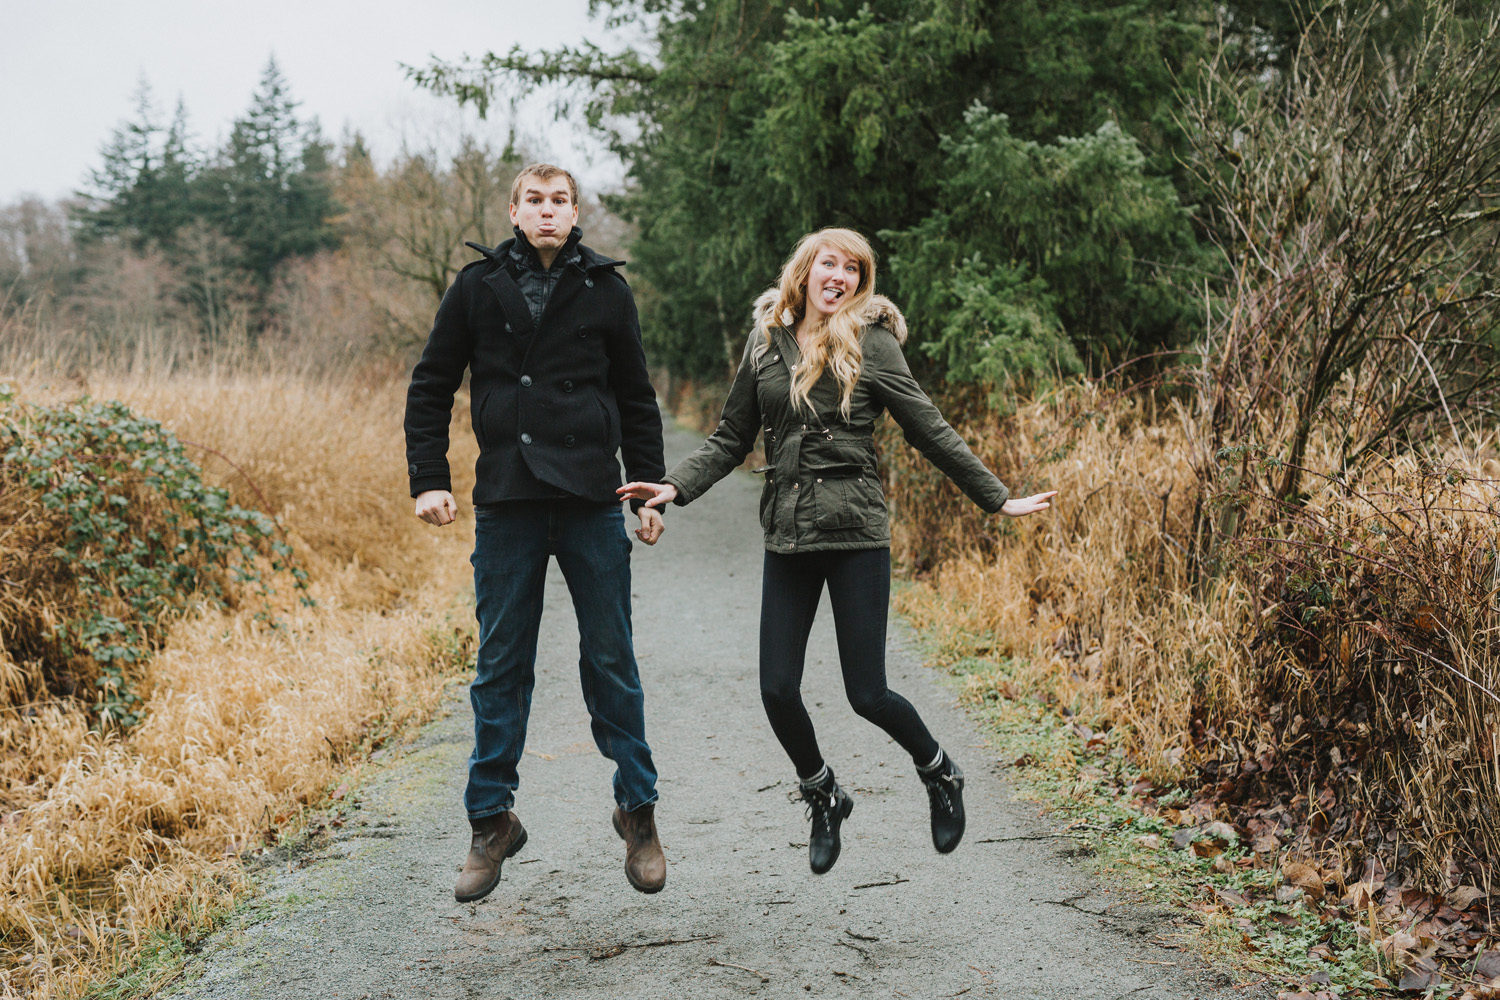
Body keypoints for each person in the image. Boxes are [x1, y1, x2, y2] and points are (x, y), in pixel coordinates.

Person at [619, 228, 1056, 875]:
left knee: (867, 693)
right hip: (789, 535)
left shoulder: (871, 342)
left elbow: (928, 426)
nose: (841, 276)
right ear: (806, 270)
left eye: (854, 268)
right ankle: (823, 793)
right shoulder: (766, 340)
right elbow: (732, 436)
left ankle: (940, 772)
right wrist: (674, 487)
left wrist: (997, 498)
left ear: (860, 282)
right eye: (831, 262)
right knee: (777, 689)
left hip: (856, 535)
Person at [405, 163, 669, 901]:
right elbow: (431, 385)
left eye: (559, 201)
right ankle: (490, 820)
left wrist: (649, 491)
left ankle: (638, 810)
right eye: (534, 200)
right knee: (500, 663)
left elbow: (635, 395)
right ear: (514, 211)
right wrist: (429, 478)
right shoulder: (475, 286)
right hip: (509, 496)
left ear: (575, 212)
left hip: (591, 494)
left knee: (611, 657)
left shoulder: (606, 288)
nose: (547, 211)